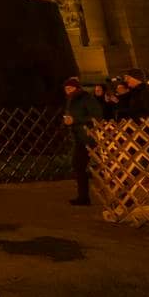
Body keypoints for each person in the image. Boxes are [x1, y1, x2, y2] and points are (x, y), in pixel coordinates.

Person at [62, 75, 101, 206]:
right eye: (66, 88)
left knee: (105, 167)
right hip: (79, 138)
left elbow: (97, 116)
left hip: (90, 137)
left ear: (77, 87)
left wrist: (76, 120)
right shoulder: (71, 100)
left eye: (70, 87)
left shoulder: (86, 98)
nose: (68, 90)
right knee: (78, 166)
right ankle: (83, 196)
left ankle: (120, 194)